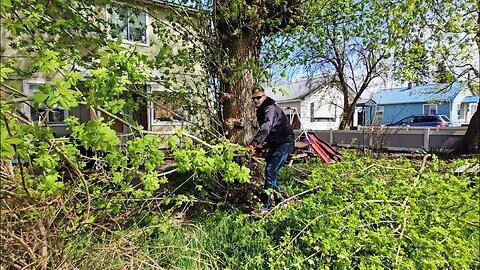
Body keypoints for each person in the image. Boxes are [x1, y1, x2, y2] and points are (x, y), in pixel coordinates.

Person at [247, 86, 295, 212]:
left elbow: (266, 127)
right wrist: (264, 145)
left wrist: (254, 143)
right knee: (270, 174)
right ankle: (280, 202)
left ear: (265, 96)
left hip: (285, 142)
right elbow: (269, 132)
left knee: (269, 172)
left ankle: (265, 206)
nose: (256, 100)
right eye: (254, 99)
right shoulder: (260, 110)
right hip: (275, 143)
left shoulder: (270, 109)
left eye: (258, 97)